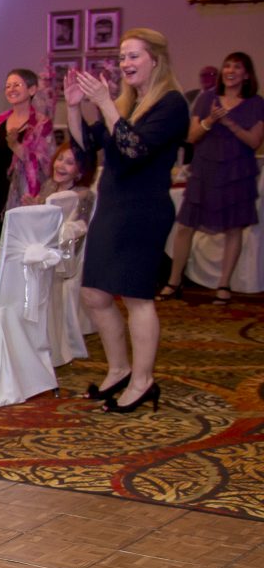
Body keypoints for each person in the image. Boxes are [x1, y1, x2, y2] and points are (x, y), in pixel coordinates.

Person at [66, 28, 189, 413]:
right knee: (94, 293)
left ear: (155, 59)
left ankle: (143, 380)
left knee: (137, 296)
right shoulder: (126, 103)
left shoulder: (171, 104)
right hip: (113, 207)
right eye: (122, 57)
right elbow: (86, 152)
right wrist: (73, 107)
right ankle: (118, 369)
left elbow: (133, 150)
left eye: (133, 56)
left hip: (144, 209)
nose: (125, 64)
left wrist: (104, 102)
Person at [160, 52, 264, 305]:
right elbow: (192, 137)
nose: (230, 71)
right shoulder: (207, 98)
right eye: (226, 66)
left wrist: (230, 124)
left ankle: (224, 284)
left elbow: (254, 141)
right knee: (185, 226)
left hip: (237, 172)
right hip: (205, 170)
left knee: (233, 228)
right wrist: (209, 121)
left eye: (237, 67)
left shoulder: (256, 102)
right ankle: (174, 281)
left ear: (246, 74)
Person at [0, 69, 54, 246]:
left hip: (22, 193)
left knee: (15, 245)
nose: (11, 89)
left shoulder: (41, 123)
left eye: (17, 85)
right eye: (8, 86)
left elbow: (44, 164)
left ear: (32, 89)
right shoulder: (0, 120)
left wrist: (16, 146)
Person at [21, 142, 96, 211]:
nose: (60, 165)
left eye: (69, 163)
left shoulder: (83, 196)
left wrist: (38, 211)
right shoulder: (49, 184)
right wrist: (32, 207)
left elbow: (69, 224)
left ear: (80, 172)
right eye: (59, 159)